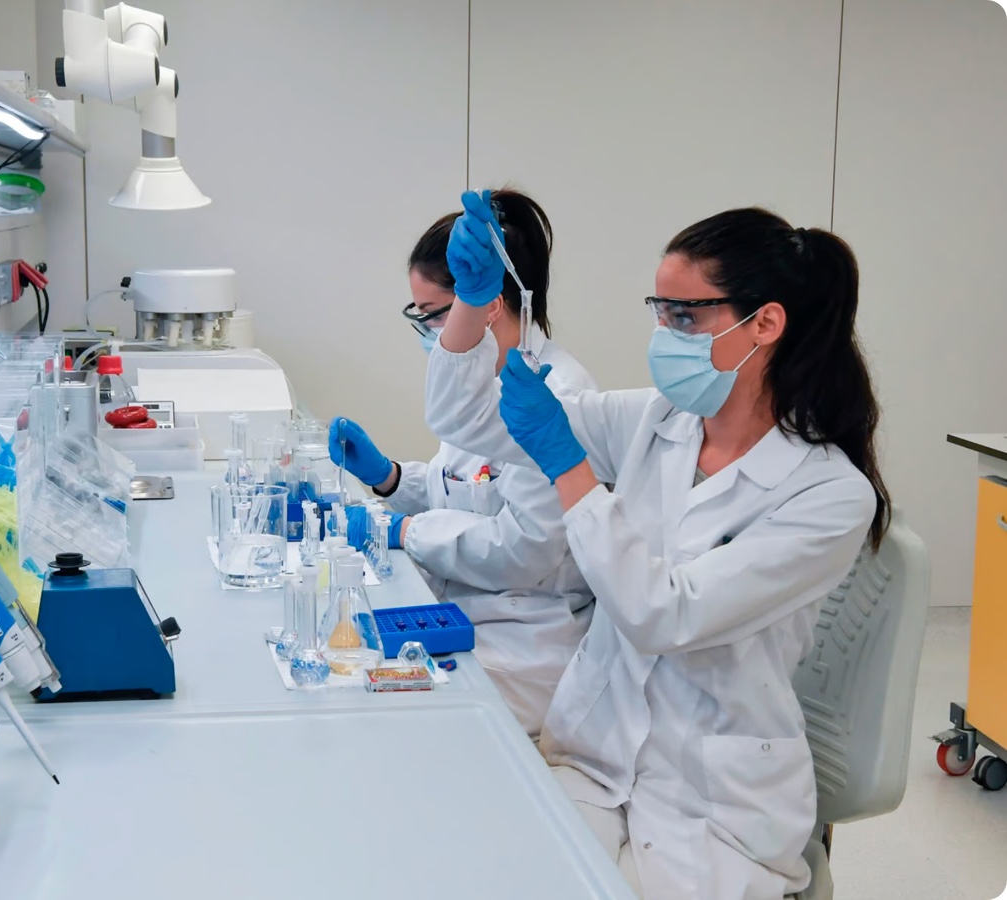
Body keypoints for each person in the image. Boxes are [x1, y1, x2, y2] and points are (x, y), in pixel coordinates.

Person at [425, 195, 890, 899]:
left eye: (684, 315)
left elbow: (663, 615)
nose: (663, 333)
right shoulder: (655, 418)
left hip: (712, 800)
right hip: (594, 756)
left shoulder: (828, 495)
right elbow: (464, 417)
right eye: (659, 310)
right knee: (490, 868)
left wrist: (571, 470)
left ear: (764, 323)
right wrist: (472, 302)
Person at [329, 189, 597, 736]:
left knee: (377, 717)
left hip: (529, 645)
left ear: (488, 302)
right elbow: (467, 484)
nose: (428, 332)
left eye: (431, 315)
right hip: (469, 615)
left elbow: (523, 551)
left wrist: (405, 530)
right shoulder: (485, 383)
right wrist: (390, 478)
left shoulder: (559, 395)